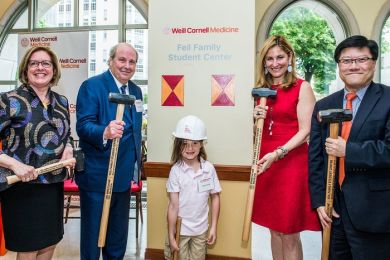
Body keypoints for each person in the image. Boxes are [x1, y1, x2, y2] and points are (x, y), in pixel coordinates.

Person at [309, 35, 390, 259]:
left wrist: (349, 151)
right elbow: (315, 158)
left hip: (375, 212)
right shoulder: (324, 105)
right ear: (338, 66)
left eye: (361, 59)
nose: (353, 66)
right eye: (346, 61)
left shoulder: (388, 100)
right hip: (333, 211)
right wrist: (319, 202)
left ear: (373, 63)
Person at [0, 46, 74, 259]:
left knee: (49, 245)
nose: (40, 68)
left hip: (53, 187)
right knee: (29, 249)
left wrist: (68, 148)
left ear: (54, 69)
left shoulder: (61, 101)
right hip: (22, 187)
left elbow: (66, 135)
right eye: (34, 63)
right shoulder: (8, 100)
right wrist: (15, 165)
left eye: (45, 63)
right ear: (25, 69)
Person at [251, 35, 321, 260]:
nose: (275, 63)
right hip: (267, 164)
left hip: (291, 163)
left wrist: (279, 152)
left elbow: (305, 130)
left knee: (289, 233)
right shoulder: (261, 90)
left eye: (280, 57)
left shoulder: (302, 88)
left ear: (289, 57)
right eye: (269, 58)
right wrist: (255, 120)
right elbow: (259, 134)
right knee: (274, 230)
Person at [76, 42, 143, 259]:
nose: (127, 65)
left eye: (132, 61)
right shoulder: (92, 86)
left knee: (117, 238)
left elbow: (134, 133)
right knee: (93, 238)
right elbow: (83, 125)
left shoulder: (135, 91)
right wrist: (104, 131)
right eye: (122, 60)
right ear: (111, 61)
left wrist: (136, 168)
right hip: (97, 178)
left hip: (123, 178)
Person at [164, 115, 221, 260]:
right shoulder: (176, 171)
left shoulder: (208, 169)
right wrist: (171, 235)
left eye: (195, 143)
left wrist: (213, 226)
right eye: (185, 143)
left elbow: (215, 197)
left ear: (201, 144)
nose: (190, 148)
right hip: (180, 230)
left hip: (200, 231)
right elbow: (173, 206)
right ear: (178, 145)